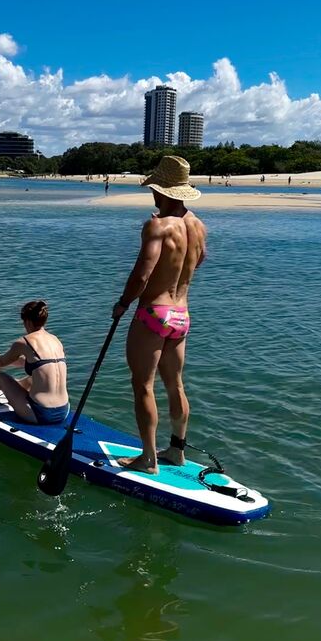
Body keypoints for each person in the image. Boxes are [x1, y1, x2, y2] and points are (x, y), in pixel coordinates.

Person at [111, 156, 207, 474]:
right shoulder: (198, 225)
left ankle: (148, 458)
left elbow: (142, 274)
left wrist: (123, 303)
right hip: (182, 314)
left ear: (161, 191)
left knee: (143, 385)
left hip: (154, 313)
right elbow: (200, 259)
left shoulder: (157, 225)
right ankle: (176, 451)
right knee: (175, 385)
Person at [0, 299, 69, 424]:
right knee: (37, 377)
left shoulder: (23, 342)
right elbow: (29, 362)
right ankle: (12, 389)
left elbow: (1, 363)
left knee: (1, 378)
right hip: (64, 411)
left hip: (40, 413)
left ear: (27, 321)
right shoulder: (55, 341)